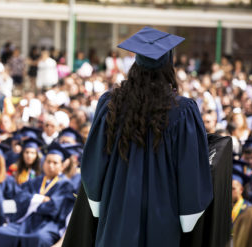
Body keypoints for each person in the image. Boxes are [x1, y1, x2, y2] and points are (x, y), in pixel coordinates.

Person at [80, 27, 213, 246]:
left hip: (117, 213)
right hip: (162, 217)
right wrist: (188, 218)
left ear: (135, 65)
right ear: (169, 67)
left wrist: (99, 205)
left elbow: (94, 163)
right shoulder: (183, 111)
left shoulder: (110, 104)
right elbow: (190, 170)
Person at [0, 142, 75, 247]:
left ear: (62, 166)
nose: (50, 166)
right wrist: (42, 200)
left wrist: (33, 200)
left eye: (55, 163)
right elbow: (20, 198)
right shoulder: (35, 181)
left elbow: (54, 208)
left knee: (40, 238)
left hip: (49, 224)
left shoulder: (66, 185)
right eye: (48, 162)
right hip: (27, 221)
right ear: (43, 163)